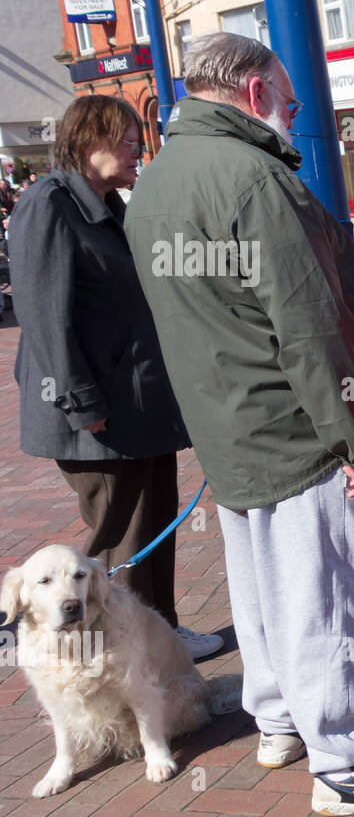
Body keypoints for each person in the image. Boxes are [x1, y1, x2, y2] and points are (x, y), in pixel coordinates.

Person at [123, 32, 354, 816]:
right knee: (325, 593)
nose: (295, 114)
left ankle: (277, 720)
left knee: (265, 589)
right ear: (257, 93)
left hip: (227, 426)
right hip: (296, 427)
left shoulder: (158, 182)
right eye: (291, 100)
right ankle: (343, 759)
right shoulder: (256, 181)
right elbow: (311, 328)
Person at [6, 95, 222, 661]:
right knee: (120, 536)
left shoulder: (110, 206)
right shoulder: (48, 205)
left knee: (150, 528)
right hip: (99, 413)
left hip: (137, 407)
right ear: (89, 141)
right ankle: (116, 656)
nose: (138, 151)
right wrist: (80, 400)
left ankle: (159, 635)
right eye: (128, 141)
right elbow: (44, 314)